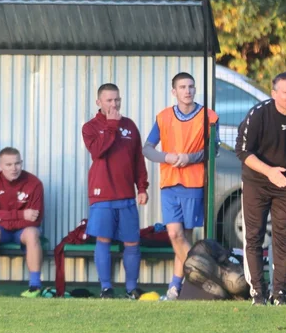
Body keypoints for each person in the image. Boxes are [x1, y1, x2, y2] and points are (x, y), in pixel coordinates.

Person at [235, 73, 286, 306]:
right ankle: (257, 294)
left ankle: (279, 293)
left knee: (283, 236)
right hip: (257, 181)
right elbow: (243, 152)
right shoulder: (258, 114)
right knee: (254, 236)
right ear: (274, 94)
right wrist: (269, 171)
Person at [142, 72, 218, 301]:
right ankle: (207, 277)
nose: (188, 91)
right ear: (174, 91)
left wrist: (191, 158)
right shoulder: (164, 116)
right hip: (169, 183)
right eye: (183, 87)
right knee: (174, 234)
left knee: (184, 235)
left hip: (194, 183)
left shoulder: (209, 116)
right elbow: (147, 148)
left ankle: (175, 288)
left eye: (191, 86)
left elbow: (212, 149)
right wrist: (165, 157)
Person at [82, 83, 149, 299]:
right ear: (98, 102)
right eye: (109, 100)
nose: (114, 104)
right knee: (103, 240)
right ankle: (106, 288)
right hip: (102, 195)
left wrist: (142, 187)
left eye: (117, 99)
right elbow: (97, 151)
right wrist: (111, 125)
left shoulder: (129, 125)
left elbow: (138, 159)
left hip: (127, 195)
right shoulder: (90, 127)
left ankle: (131, 288)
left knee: (132, 242)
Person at [0, 147, 45, 297]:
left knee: (32, 233)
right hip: (1, 231)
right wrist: (22, 214)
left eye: (17, 163)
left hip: (21, 231)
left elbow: (35, 220)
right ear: (0, 166)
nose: (14, 168)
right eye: (8, 165)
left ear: (21, 163)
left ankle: (35, 286)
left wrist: (3, 219)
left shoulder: (34, 183)